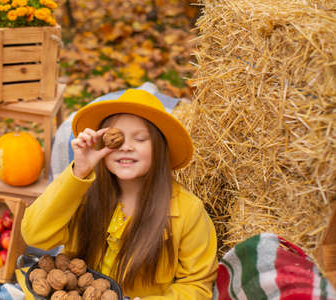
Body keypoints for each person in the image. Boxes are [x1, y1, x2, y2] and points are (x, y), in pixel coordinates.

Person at [21, 89, 218, 299]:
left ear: (160, 148)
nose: (126, 147)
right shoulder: (82, 190)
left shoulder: (188, 211)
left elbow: (197, 285)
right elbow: (34, 234)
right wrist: (79, 171)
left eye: (140, 139)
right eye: (116, 138)